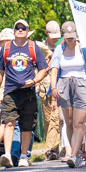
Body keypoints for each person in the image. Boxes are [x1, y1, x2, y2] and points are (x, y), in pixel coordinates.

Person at [0, 19, 49, 168]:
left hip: (29, 92)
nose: (20, 30)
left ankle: (24, 156)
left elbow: (44, 68)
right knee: (8, 122)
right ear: (14, 31)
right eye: (17, 28)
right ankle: (7, 155)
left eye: (23, 28)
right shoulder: (6, 48)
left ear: (27, 31)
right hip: (10, 92)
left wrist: (34, 81)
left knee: (27, 126)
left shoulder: (33, 47)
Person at [50, 21, 86, 168]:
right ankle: (74, 152)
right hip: (64, 84)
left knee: (79, 122)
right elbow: (54, 70)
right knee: (69, 122)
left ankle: (74, 155)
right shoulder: (59, 49)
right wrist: (53, 88)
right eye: (67, 36)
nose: (70, 39)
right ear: (63, 35)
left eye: (72, 36)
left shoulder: (83, 49)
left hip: (81, 84)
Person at [38, 20, 62, 160]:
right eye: (52, 35)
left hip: (58, 88)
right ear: (46, 33)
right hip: (43, 87)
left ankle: (51, 150)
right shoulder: (41, 48)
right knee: (48, 121)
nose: (55, 38)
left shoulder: (63, 46)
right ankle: (54, 149)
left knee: (55, 119)